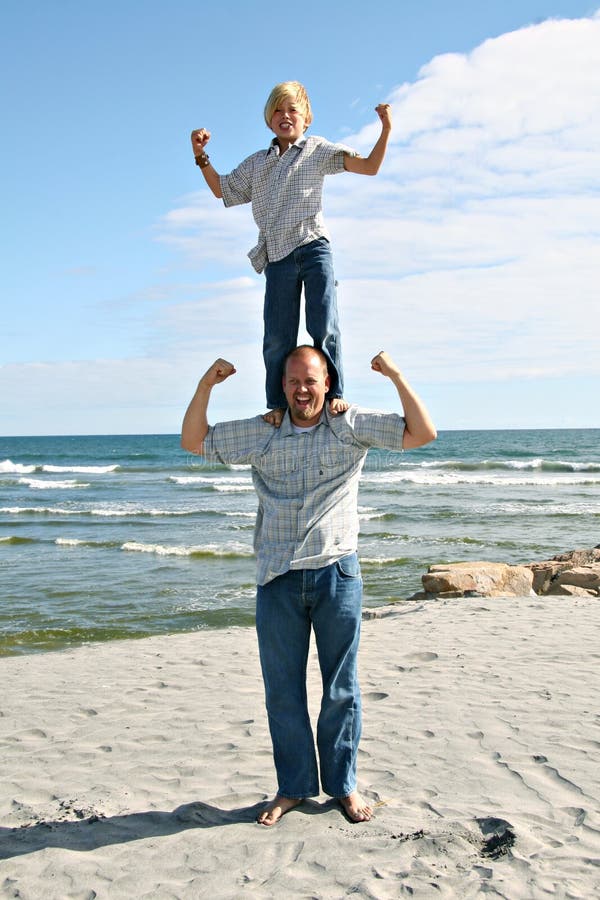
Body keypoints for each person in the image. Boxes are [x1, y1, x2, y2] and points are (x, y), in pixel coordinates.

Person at [181, 345, 436, 826]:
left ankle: (343, 787)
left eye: (311, 380)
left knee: (341, 689)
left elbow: (423, 433)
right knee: (283, 692)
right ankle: (293, 788)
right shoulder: (263, 432)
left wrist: (395, 374)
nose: (303, 389)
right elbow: (195, 441)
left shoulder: (348, 425)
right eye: (294, 380)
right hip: (277, 578)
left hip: (337, 573)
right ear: (283, 385)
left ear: (327, 383)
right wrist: (205, 386)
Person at [190, 82, 392, 423]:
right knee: (277, 334)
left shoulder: (317, 150)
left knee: (323, 324)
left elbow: (370, 166)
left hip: (313, 247)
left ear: (306, 119)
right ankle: (277, 405)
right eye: (279, 111)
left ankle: (335, 395)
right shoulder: (257, 164)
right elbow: (221, 189)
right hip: (278, 257)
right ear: (269, 120)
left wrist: (385, 129)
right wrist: (200, 155)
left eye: (293, 110)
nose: (286, 117)